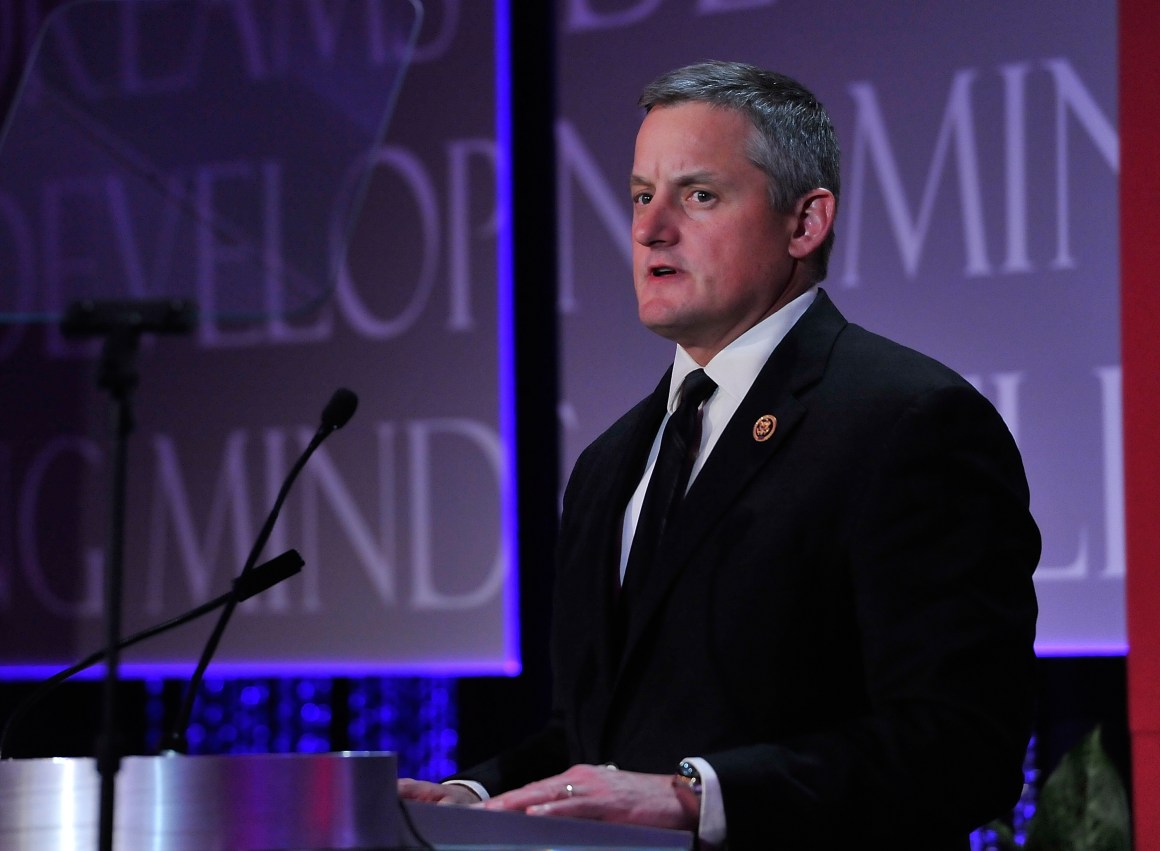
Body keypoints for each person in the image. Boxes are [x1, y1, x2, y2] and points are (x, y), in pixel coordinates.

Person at [399, 60, 1039, 850]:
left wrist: (694, 796)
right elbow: (594, 740)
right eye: (641, 195)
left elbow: (962, 748)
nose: (648, 228)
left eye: (697, 195)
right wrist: (470, 798)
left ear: (805, 223)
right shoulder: (608, 465)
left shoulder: (909, 423)